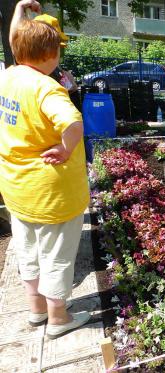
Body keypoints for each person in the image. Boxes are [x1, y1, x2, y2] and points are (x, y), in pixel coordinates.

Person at [1, 4, 91, 339]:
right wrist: (66, 148)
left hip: (16, 187)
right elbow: (72, 122)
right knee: (56, 254)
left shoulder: (8, 75)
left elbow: (14, 41)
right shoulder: (46, 88)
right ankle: (58, 318)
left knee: (28, 249)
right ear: (50, 54)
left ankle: (36, 310)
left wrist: (20, 10)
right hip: (52, 193)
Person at [10, 9, 80, 108]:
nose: (58, 53)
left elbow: (13, 39)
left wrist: (72, 89)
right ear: (48, 50)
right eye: (57, 47)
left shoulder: (15, 71)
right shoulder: (46, 83)